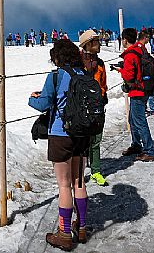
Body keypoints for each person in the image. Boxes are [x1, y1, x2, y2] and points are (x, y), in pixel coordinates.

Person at [28, 39, 89, 250]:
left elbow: (44, 103)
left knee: (64, 185)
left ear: (57, 57)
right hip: (82, 134)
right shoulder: (84, 75)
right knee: (79, 182)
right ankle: (80, 228)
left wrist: (32, 98)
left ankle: (64, 234)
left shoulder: (56, 76)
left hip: (61, 134)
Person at [115, 28, 154, 162]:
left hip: (137, 91)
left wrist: (120, 69)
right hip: (142, 89)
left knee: (139, 121)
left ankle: (149, 150)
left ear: (125, 40)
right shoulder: (138, 51)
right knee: (133, 120)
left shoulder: (130, 54)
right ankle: (136, 145)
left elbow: (129, 75)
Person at [79, 30, 108, 186]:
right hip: (82, 108)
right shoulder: (78, 62)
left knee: (96, 141)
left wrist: (102, 99)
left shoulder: (101, 63)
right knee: (82, 142)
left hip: (97, 107)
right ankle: (79, 173)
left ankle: (96, 171)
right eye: (96, 41)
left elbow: (103, 84)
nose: (100, 44)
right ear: (88, 44)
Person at [137, 31, 154, 117]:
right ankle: (150, 109)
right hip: (144, 72)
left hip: (146, 71)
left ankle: (148, 109)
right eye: (148, 37)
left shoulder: (142, 47)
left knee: (148, 90)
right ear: (144, 38)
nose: (149, 39)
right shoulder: (139, 47)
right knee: (148, 90)